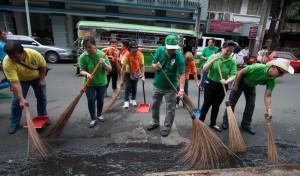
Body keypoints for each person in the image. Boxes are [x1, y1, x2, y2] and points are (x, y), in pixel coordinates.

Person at [222, 58, 294, 134]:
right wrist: (236, 85)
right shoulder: (258, 67)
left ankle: (245, 124)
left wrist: (269, 110)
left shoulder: (272, 80)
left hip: (251, 86)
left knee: (251, 105)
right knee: (231, 103)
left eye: (283, 74)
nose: (280, 76)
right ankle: (226, 121)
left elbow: (268, 96)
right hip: (240, 82)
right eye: (280, 73)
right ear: (273, 67)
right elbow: (241, 72)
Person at [3, 41, 49, 134]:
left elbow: (43, 67)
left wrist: (41, 80)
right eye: (11, 57)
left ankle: (42, 116)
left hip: (36, 77)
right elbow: (15, 83)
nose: (13, 59)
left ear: (22, 52)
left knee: (41, 98)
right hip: (21, 80)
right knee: (17, 102)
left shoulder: (34, 54)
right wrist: (21, 99)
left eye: (16, 57)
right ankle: (14, 123)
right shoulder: (7, 62)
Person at [147, 34, 185, 137]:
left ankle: (167, 127)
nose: (171, 51)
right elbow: (152, 65)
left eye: (173, 49)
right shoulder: (159, 51)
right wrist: (156, 67)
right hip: (158, 84)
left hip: (171, 87)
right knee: (155, 105)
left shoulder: (179, 56)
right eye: (169, 49)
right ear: (165, 45)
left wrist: (181, 90)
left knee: (170, 108)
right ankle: (155, 122)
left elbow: (182, 74)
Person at [199, 40, 237, 132]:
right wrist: (212, 60)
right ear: (222, 48)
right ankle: (200, 122)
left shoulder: (232, 61)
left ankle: (213, 123)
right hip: (210, 83)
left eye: (231, 51)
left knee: (216, 105)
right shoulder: (214, 56)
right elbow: (204, 69)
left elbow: (233, 74)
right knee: (206, 104)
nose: (229, 53)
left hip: (222, 85)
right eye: (227, 50)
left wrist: (226, 81)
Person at [79, 36, 112, 128]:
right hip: (89, 83)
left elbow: (109, 70)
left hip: (101, 83)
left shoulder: (102, 55)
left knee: (100, 100)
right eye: (86, 47)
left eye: (90, 47)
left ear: (95, 45)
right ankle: (93, 118)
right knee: (91, 100)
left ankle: (99, 114)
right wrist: (87, 74)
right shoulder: (83, 56)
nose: (88, 49)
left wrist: (104, 63)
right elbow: (81, 70)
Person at [120, 41, 145, 108]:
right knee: (127, 86)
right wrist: (122, 80)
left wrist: (143, 76)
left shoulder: (140, 55)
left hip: (136, 71)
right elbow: (123, 68)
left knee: (134, 86)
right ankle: (126, 101)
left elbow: (142, 66)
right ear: (129, 50)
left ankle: (133, 99)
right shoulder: (126, 56)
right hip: (128, 72)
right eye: (132, 50)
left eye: (135, 50)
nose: (134, 52)